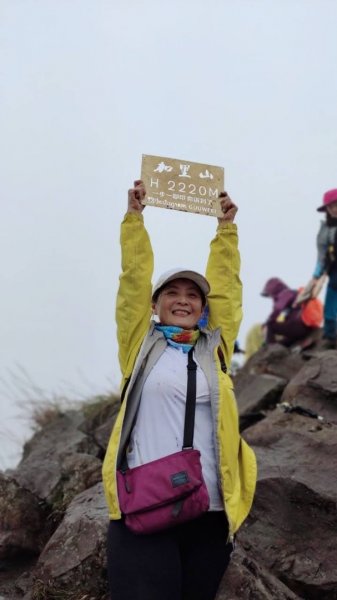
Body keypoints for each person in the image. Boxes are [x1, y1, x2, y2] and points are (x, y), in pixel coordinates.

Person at [102, 179, 257, 600]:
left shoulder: (215, 350)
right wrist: (134, 219)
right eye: (172, 292)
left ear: (204, 310)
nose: (183, 300)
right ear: (155, 305)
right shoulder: (140, 345)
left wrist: (226, 229)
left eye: (193, 295)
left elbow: (227, 289)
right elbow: (132, 283)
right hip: (146, 502)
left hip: (209, 508)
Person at [311, 188, 337, 349]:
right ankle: (330, 337)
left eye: (336, 205)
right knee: (330, 305)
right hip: (334, 271)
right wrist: (316, 276)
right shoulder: (325, 230)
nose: (334, 209)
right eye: (330, 206)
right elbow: (321, 256)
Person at [261, 277, 316, 347]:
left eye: (269, 294)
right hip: (305, 327)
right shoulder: (293, 293)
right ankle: (300, 344)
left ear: (273, 290)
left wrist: (266, 324)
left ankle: (271, 349)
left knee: (270, 324)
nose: (270, 297)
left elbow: (277, 312)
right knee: (284, 342)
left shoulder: (284, 294)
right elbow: (282, 316)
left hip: (299, 325)